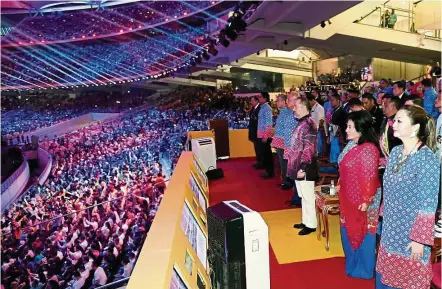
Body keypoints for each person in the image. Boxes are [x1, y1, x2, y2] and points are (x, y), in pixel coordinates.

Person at [376, 105, 440, 289]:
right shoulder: (396, 152)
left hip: (412, 232)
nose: (393, 124)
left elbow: (428, 203)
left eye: (399, 121)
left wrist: (419, 239)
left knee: (409, 280)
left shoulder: (427, 160)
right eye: (394, 120)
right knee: (386, 277)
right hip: (391, 226)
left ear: (415, 128)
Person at [338, 110, 381, 279]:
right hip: (348, 196)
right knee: (347, 230)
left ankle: (364, 269)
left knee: (364, 233)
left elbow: (369, 176)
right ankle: (353, 264)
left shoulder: (369, 149)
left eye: (350, 126)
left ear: (360, 128)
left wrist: (366, 200)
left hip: (364, 200)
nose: (346, 129)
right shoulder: (352, 144)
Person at [285, 97, 318, 235]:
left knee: (308, 197)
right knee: (303, 196)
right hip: (298, 165)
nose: (294, 109)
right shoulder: (302, 123)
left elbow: (309, 149)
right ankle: (306, 220)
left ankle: (311, 225)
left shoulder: (308, 125)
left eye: (297, 106)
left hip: (305, 167)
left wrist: (303, 167)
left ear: (304, 108)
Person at [272, 94, 293, 188]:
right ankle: (284, 180)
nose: (276, 102)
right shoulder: (282, 112)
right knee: (282, 162)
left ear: (284, 102)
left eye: (278, 101)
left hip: (284, 141)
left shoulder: (288, 112)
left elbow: (287, 129)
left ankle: (287, 182)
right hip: (280, 140)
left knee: (284, 162)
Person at [379, 96, 402, 165]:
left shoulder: (401, 122)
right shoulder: (385, 119)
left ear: (393, 107)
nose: (383, 107)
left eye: (386, 105)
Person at [256, 92, 274, 178]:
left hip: (264, 136)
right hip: (261, 135)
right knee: (264, 154)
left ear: (265, 98)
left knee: (267, 155)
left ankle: (270, 172)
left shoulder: (267, 108)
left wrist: (266, 136)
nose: (258, 98)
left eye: (260, 97)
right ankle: (267, 171)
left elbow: (269, 123)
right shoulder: (262, 107)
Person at [329, 93, 347, 163]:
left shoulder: (342, 112)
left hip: (338, 137)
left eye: (333, 100)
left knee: (337, 155)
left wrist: (341, 134)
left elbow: (343, 125)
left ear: (338, 101)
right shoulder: (334, 111)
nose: (331, 102)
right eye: (330, 100)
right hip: (333, 135)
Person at [248, 95, 262, 169]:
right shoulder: (253, 108)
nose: (251, 102)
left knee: (259, 148)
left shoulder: (260, 108)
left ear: (257, 101)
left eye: (253, 101)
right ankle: (258, 161)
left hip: (258, 132)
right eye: (251, 101)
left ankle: (261, 163)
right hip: (253, 131)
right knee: (256, 148)